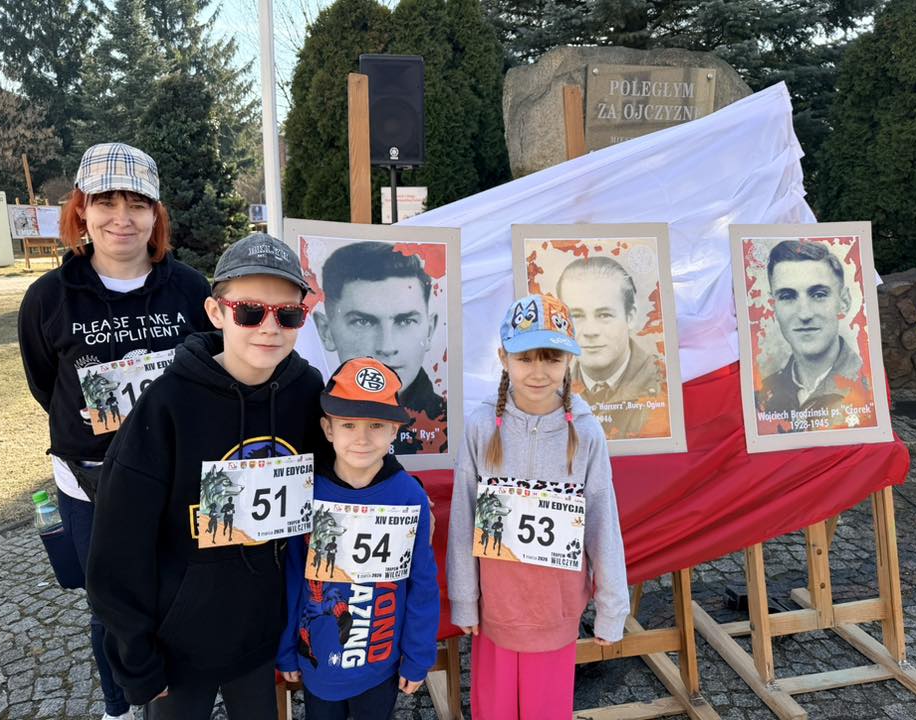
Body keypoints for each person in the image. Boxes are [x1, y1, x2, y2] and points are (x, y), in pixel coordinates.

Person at [86, 233, 331, 720]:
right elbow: (118, 544)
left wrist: (396, 489)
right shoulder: (167, 404)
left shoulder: (305, 389)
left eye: (288, 315)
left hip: (261, 630)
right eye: (249, 312)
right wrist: (137, 658)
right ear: (216, 313)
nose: (269, 327)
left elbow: (341, 460)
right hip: (178, 641)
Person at [18, 142, 214, 720]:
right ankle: (119, 705)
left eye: (137, 204)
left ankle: (181, 694)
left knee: (179, 589)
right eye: (106, 202)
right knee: (110, 605)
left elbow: (213, 371)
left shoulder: (190, 290)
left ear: (156, 215)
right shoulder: (49, 297)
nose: (121, 218)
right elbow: (45, 383)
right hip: (91, 482)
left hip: (177, 475)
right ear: (81, 210)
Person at [447, 293, 629, 720]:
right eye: (525, 358)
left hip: (556, 614)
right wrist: (465, 599)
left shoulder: (587, 433)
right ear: (503, 358)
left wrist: (611, 608)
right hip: (496, 612)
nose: (538, 371)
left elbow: (603, 523)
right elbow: (463, 518)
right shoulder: (480, 427)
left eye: (552, 358)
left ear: (569, 361)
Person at [277, 357, 439, 720]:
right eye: (348, 424)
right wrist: (286, 648)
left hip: (380, 664)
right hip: (319, 664)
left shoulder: (409, 497)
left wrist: (418, 656)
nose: (362, 438)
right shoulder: (308, 492)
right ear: (328, 428)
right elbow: (292, 574)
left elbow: (422, 583)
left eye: (376, 425)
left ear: (395, 431)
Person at [312, 241, 446, 454]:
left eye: (405, 321)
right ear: (325, 331)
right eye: (363, 322)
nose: (387, 347)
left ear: (429, 330)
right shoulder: (306, 423)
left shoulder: (450, 427)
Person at [757, 240, 867, 418]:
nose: (805, 314)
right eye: (787, 296)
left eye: (818, 294)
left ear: (844, 302)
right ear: (773, 306)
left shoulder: (867, 384)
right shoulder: (763, 394)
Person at [556, 256, 662, 439]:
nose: (590, 331)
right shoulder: (551, 392)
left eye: (604, 315)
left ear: (630, 317)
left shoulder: (663, 385)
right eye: (576, 316)